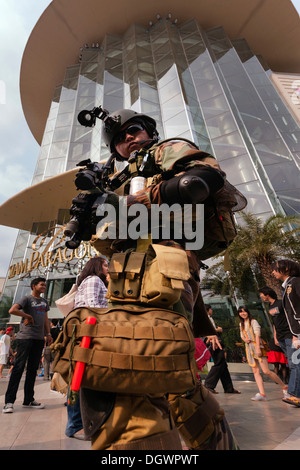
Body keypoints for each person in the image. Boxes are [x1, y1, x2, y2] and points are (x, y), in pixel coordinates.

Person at [61, 108, 246, 450]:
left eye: (132, 131)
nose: (127, 139)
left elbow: (203, 179)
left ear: (148, 131)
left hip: (163, 266)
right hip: (124, 273)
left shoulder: (164, 152)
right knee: (176, 382)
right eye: (118, 139)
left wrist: (126, 202)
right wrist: (96, 208)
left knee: (135, 374)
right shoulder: (114, 178)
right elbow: (102, 234)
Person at [65, 256, 109, 440]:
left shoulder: (94, 281)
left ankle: (82, 423)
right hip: (88, 333)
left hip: (89, 332)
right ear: (97, 266)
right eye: (106, 265)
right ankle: (74, 426)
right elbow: (93, 308)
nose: (108, 268)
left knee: (82, 376)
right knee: (79, 376)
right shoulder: (94, 280)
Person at [2, 277, 52, 413]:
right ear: (34, 286)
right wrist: (28, 316)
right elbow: (12, 310)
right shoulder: (27, 299)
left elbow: (46, 319)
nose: (44, 287)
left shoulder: (44, 302)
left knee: (32, 370)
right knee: (18, 368)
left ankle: (28, 400)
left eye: (45, 285)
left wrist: (48, 334)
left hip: (38, 338)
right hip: (25, 338)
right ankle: (9, 402)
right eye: (41, 285)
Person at [238, 306, 288, 401]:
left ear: (248, 312)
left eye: (244, 311)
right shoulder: (241, 324)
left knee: (266, 371)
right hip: (249, 348)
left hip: (257, 346)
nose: (243, 313)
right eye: (240, 312)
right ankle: (262, 394)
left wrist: (258, 348)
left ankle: (284, 387)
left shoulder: (253, 321)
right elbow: (241, 335)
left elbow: (257, 335)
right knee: (255, 371)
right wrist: (245, 339)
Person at [270, 259, 300, 407]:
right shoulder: (287, 285)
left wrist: (297, 333)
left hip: (298, 332)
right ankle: (295, 395)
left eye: (275, 269)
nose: (273, 272)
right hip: (295, 333)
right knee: (295, 363)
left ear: (286, 268)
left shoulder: (295, 282)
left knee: (296, 364)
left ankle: (295, 395)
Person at [258, 287, 293, 387]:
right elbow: (274, 323)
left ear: (267, 294)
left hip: (288, 335)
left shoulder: (281, 303)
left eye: (261, 294)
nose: (260, 296)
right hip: (280, 337)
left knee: (292, 362)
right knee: (289, 361)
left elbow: (290, 316)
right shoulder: (270, 306)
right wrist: (275, 337)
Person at [204, 305, 240, 394]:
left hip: (216, 342)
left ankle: (229, 388)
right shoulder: (205, 319)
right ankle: (208, 385)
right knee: (220, 363)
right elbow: (207, 331)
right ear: (207, 310)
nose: (212, 310)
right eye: (210, 309)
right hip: (213, 343)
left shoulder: (209, 318)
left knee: (223, 365)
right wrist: (218, 329)